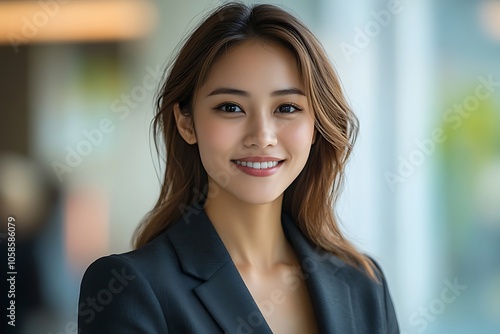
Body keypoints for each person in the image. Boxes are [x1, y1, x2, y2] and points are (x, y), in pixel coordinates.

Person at [78, 2, 399, 333]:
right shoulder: (131, 288)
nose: (262, 136)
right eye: (230, 107)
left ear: (316, 126)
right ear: (186, 123)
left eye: (287, 107)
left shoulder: (363, 285)